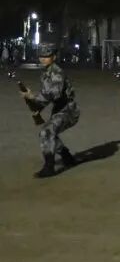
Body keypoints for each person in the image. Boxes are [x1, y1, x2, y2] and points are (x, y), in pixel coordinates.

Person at [20, 43, 80, 178]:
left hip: (68, 110)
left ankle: (49, 167)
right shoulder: (46, 73)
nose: (43, 58)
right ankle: (67, 157)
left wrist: (34, 97)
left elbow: (54, 94)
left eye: (47, 56)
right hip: (59, 109)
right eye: (41, 56)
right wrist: (36, 107)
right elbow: (46, 96)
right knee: (49, 133)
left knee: (46, 132)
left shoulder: (57, 72)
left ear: (54, 57)